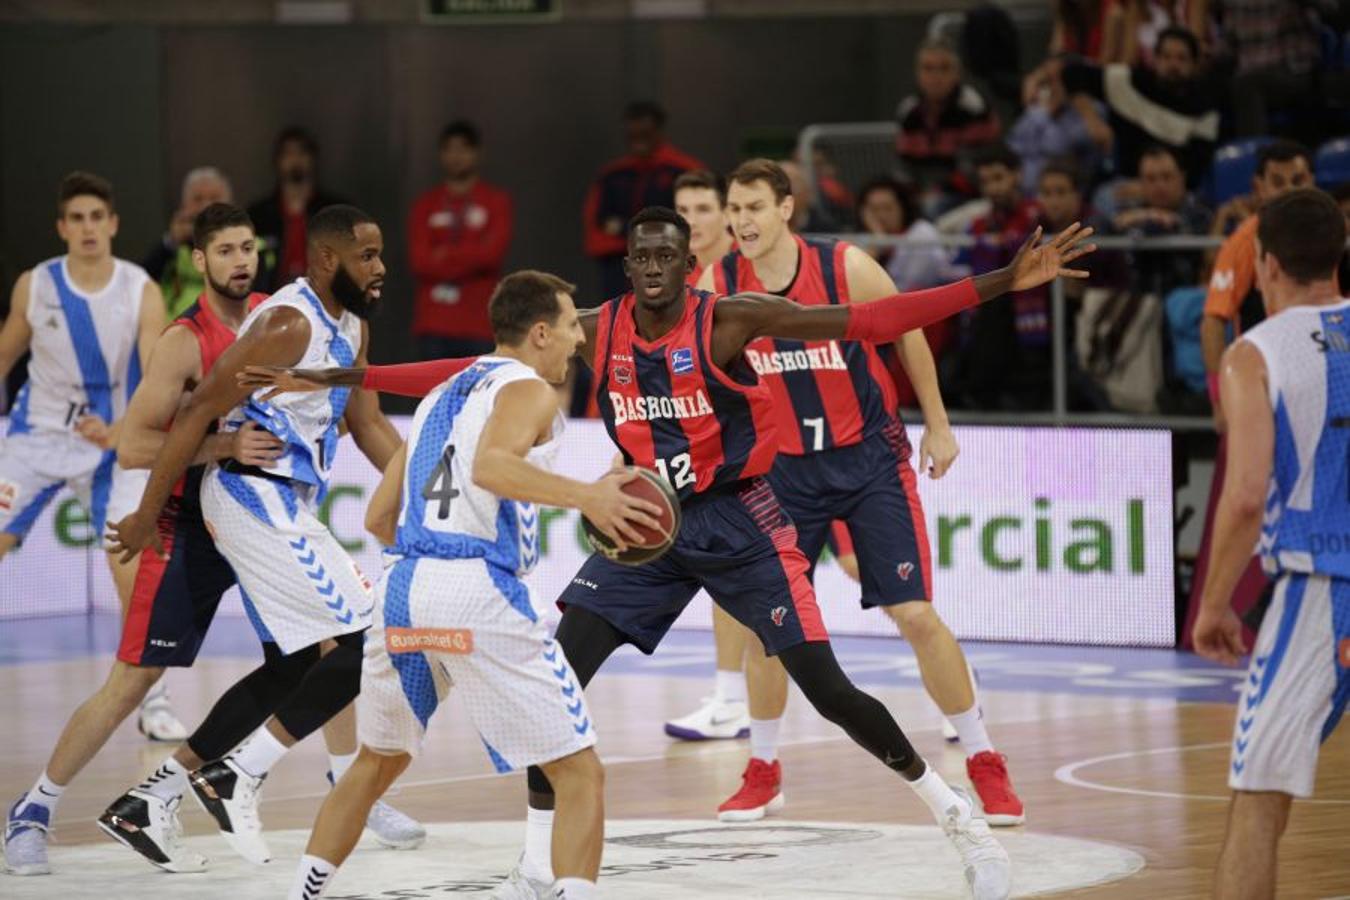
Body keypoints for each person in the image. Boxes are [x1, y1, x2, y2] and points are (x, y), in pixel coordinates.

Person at [249, 206, 1095, 900]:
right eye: (639, 252)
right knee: (561, 682)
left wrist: (997, 284)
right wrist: (340, 380)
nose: (652, 263)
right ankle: (534, 870)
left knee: (828, 688)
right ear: (627, 264)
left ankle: (963, 828)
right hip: (643, 525)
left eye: (667, 252)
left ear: (689, 263)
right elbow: (472, 364)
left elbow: (872, 320)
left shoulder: (727, 318)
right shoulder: (592, 328)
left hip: (740, 523)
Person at [286, 271, 661, 900]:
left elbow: (380, 517)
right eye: (572, 325)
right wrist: (589, 499)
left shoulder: (441, 396)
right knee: (579, 774)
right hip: (478, 588)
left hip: (403, 588)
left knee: (377, 761)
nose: (579, 339)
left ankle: (303, 892)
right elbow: (492, 466)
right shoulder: (529, 389)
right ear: (540, 332)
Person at [689, 159, 1024, 827]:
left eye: (753, 206)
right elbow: (696, 371)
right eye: (733, 208)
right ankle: (763, 768)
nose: (740, 221)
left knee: (916, 616)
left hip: (869, 460)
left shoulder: (845, 267)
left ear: (787, 208)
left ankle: (985, 760)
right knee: (769, 629)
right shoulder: (717, 284)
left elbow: (908, 331)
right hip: (781, 473)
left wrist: (937, 423)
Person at [105, 204, 421, 867]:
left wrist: (418, 495)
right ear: (331, 259)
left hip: (287, 503)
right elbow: (195, 411)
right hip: (251, 495)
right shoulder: (288, 321)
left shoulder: (352, 327)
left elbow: (365, 422)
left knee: (297, 663)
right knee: (368, 640)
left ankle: (151, 799)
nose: (382, 267)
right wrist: (146, 513)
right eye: (368, 255)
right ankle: (237, 773)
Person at [3, 202, 278, 875]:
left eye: (249, 248)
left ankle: (350, 789)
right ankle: (33, 811)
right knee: (136, 674)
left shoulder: (282, 319)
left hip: (262, 518)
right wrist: (223, 444)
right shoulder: (185, 338)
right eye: (226, 251)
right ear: (200, 261)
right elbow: (134, 446)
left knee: (331, 649)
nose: (240, 260)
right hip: (187, 521)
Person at [1191, 187, 1350, 900]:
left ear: (1264, 262)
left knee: (1257, 794)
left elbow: (1247, 495)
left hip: (1321, 587)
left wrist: (1216, 604)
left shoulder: (1254, 355)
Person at [0, 172, 182, 746]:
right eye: (75, 218)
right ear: (62, 227)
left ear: (113, 224)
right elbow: (6, 352)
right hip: (34, 442)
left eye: (95, 217)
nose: (87, 228)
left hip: (111, 450)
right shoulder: (37, 286)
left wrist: (126, 426)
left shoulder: (139, 289)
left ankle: (152, 700)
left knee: (131, 571)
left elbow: (158, 374)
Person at [1026, 26, 1220, 196]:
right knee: (1103, 199)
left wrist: (1152, 187)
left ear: (1195, 64)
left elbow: (1197, 166)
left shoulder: (1205, 108)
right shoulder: (1127, 83)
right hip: (1125, 186)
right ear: (1155, 59)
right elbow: (1071, 72)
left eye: (1181, 58)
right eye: (1166, 57)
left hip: (1176, 190)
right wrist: (1092, 121)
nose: (1173, 65)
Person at [1201, 140, 1313, 429]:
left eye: (1297, 180)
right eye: (1277, 182)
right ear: (1258, 186)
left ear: (1311, 182)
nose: (1289, 189)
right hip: (1265, 385)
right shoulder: (1242, 243)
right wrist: (1218, 397)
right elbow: (1213, 321)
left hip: (1322, 379)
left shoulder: (1332, 235)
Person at [946, 144, 1051, 411]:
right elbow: (959, 263)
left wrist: (994, 246)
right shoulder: (978, 225)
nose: (993, 188)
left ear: (1017, 175)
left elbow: (1019, 253)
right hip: (989, 319)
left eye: (999, 178)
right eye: (986, 182)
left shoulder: (1037, 214)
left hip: (1032, 318)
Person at [409, 120, 514, 362]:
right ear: (441, 154)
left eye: (463, 149)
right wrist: (471, 253)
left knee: (480, 398)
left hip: (479, 322)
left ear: (477, 153)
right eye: (450, 149)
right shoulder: (425, 205)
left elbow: (492, 255)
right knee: (434, 398)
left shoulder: (496, 201)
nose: (456, 156)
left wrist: (444, 254)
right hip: (434, 323)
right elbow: (420, 261)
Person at [582, 101, 703, 300]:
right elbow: (599, 225)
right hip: (619, 266)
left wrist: (623, 227)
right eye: (632, 136)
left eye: (645, 135)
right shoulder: (613, 175)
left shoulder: (684, 171)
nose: (638, 142)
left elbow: (693, 222)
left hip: (672, 261)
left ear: (658, 132)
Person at [894, 37, 1002, 214]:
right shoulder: (908, 111)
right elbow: (904, 169)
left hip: (971, 198)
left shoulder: (974, 108)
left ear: (957, 73)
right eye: (928, 69)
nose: (936, 77)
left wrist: (934, 192)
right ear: (918, 73)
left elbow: (975, 172)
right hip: (923, 195)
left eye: (944, 68)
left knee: (931, 208)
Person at [247, 127, 346, 293]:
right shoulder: (259, 215)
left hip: (324, 299)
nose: (295, 159)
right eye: (288, 153)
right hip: (271, 300)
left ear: (313, 158)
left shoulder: (334, 211)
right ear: (277, 160)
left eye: (302, 152)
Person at [142, 167, 234, 318]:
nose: (206, 206)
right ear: (184, 206)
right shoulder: (171, 249)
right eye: (197, 199)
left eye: (215, 198)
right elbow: (141, 282)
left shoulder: (249, 247)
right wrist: (170, 243)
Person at [673, 169, 734, 286]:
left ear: (727, 215)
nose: (690, 221)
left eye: (703, 209)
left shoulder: (753, 263)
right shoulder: (672, 273)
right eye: (683, 210)